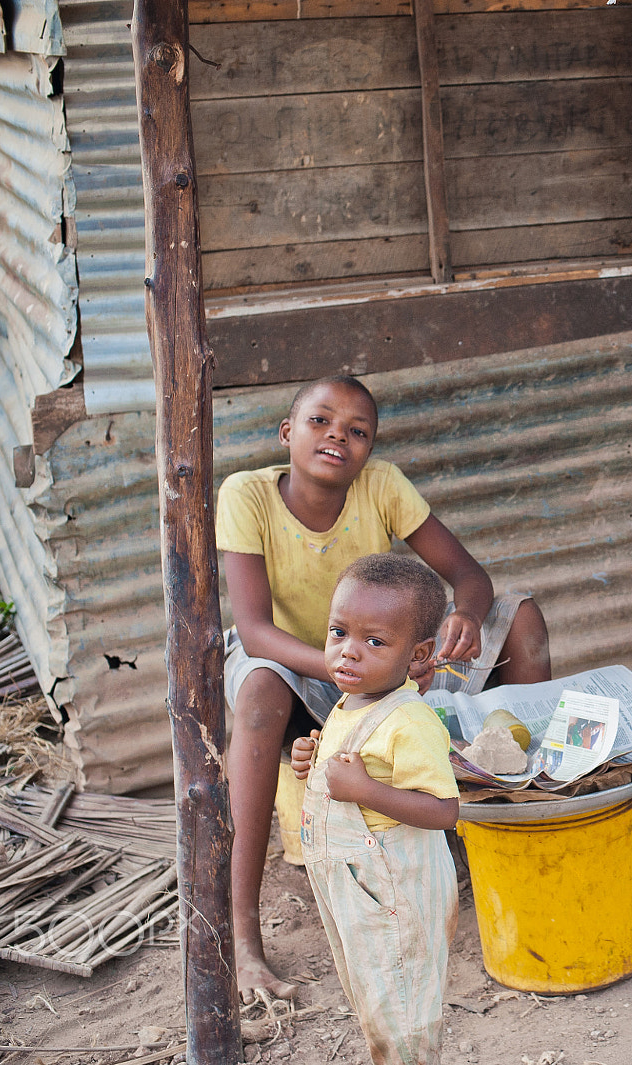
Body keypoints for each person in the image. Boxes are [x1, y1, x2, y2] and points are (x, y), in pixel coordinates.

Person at [216, 373, 551, 1002]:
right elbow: (255, 632)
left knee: (522, 617)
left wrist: (465, 618)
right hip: (296, 663)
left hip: (383, 664)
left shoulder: (382, 486)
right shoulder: (247, 495)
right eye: (320, 422)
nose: (337, 436)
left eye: (357, 431)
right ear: (287, 433)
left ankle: (509, 842)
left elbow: (469, 576)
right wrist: (359, 667)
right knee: (257, 690)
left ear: (370, 449)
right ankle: (244, 939)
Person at [290, 555, 460, 1065]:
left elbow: (444, 811)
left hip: (394, 890)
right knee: (377, 1000)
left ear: (418, 655)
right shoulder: (350, 702)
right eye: (339, 632)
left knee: (403, 1008)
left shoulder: (410, 720)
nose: (348, 652)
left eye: (375, 641)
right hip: (353, 887)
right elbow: (351, 769)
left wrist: (364, 790)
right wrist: (312, 762)